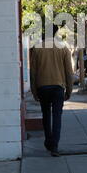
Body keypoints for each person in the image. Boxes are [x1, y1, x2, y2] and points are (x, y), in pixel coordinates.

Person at [29, 25, 73, 157]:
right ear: (56, 33)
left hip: (42, 87)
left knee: (46, 115)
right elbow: (69, 72)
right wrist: (69, 90)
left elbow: (33, 72)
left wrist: (33, 90)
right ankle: (54, 146)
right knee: (57, 116)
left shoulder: (37, 49)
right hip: (58, 87)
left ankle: (48, 140)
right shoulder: (63, 48)